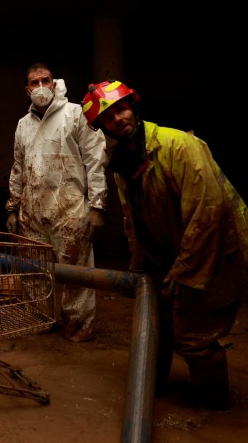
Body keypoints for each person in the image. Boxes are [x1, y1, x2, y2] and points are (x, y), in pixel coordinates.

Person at [82, 79, 247, 409]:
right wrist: (139, 267)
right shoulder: (123, 163)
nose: (118, 120)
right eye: (108, 118)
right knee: (156, 322)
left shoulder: (180, 146)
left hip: (216, 248)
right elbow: (135, 220)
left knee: (194, 337)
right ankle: (152, 390)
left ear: (134, 107)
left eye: (121, 110)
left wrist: (186, 269)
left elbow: (208, 212)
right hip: (174, 250)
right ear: (101, 127)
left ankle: (212, 406)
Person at [5, 63, 107, 343]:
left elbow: (95, 160)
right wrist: (13, 206)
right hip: (32, 210)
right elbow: (18, 167)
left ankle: (78, 325)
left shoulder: (76, 114)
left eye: (45, 80)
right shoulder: (23, 125)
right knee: (34, 270)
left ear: (54, 83)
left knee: (75, 272)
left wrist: (97, 206)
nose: (40, 87)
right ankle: (39, 319)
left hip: (70, 208)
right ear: (27, 89)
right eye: (34, 82)